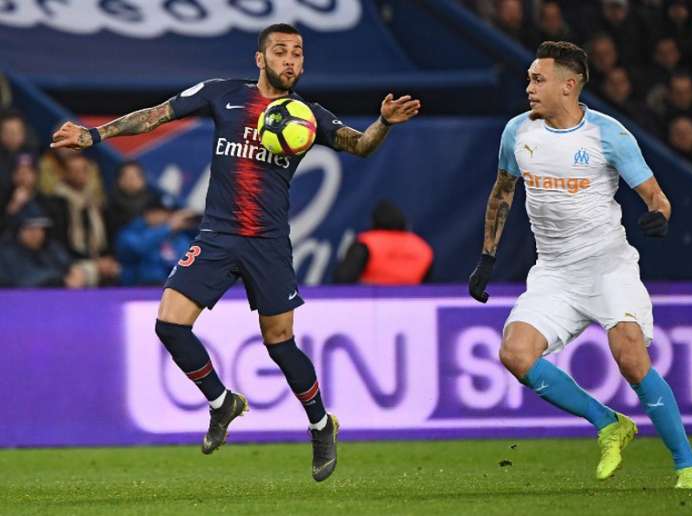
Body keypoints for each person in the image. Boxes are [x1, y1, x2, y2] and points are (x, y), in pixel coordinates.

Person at [50, 22, 420, 481]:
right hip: (218, 236)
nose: (291, 60)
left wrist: (383, 123)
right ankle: (223, 402)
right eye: (281, 51)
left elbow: (360, 145)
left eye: (298, 53)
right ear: (260, 59)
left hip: (267, 242)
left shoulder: (307, 117)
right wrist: (94, 136)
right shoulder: (223, 94)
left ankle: (321, 426)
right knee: (169, 323)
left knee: (279, 343)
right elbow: (159, 114)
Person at [468, 41, 692, 489]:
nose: (529, 88)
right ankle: (608, 423)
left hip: (607, 267)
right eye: (529, 79)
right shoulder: (517, 133)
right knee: (514, 354)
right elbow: (502, 193)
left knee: (631, 357)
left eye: (538, 80)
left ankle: (688, 465)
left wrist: (659, 216)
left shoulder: (608, 134)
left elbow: (657, 196)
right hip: (554, 273)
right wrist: (487, 257)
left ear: (569, 85)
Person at [332, 200, 433, 284]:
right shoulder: (422, 247)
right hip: (413, 303)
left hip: (372, 301)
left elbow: (343, 278)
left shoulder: (367, 243)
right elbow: (428, 285)